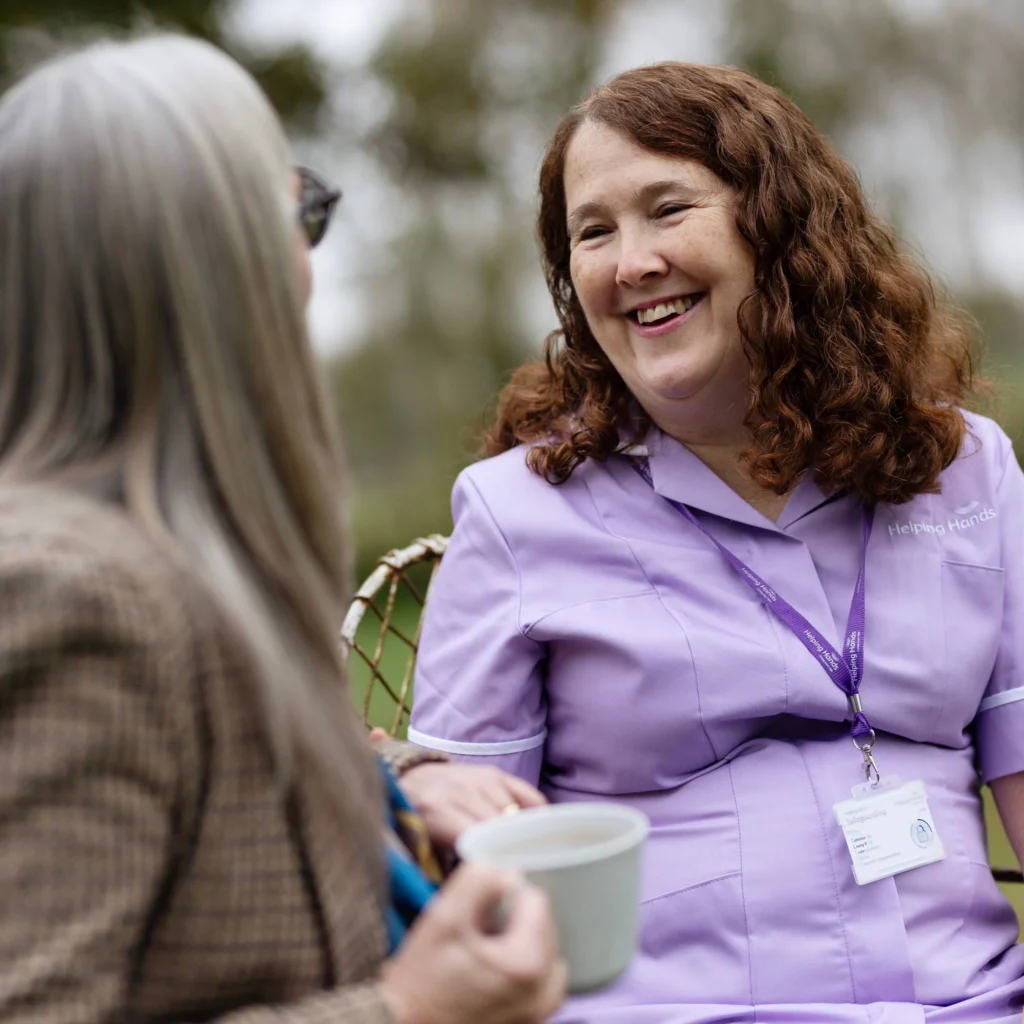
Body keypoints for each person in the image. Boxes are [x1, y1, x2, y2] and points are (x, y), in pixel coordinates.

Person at [409, 61, 1024, 1023]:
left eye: (667, 209)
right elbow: (460, 851)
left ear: (779, 230)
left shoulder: (965, 468)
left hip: (969, 1004)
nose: (630, 262)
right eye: (593, 232)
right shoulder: (517, 513)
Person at [0, 33, 566, 1024]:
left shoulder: (172, 544)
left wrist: (397, 784)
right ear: (209, 266)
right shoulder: (69, 596)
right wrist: (406, 1008)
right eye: (294, 215)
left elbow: (194, 769)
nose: (309, 269)